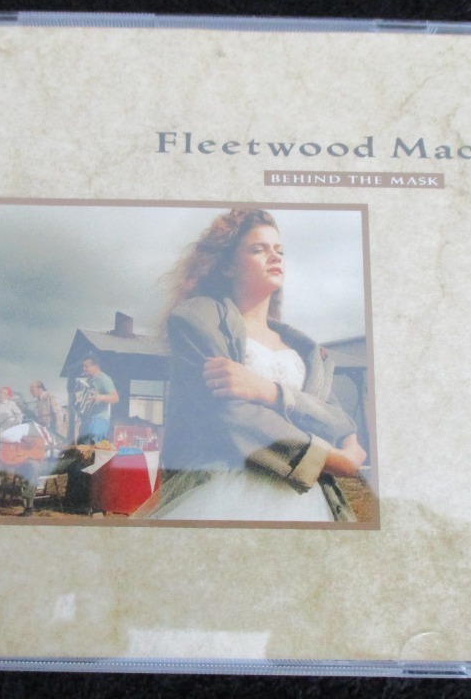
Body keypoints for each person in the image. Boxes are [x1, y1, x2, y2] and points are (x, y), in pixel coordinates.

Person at [147, 208, 367, 522]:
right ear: (227, 266)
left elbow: (338, 420)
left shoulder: (304, 349)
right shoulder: (198, 319)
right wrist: (333, 458)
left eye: (279, 250)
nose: (274, 256)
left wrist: (270, 392)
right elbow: (232, 415)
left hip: (305, 500)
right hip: (227, 494)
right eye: (258, 249)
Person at [76, 354, 118, 445]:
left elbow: (115, 398)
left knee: (92, 447)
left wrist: (101, 397)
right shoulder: (88, 381)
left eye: (86, 366)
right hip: (87, 420)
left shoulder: (104, 379)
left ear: (95, 366)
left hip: (99, 420)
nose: (83, 369)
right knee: (82, 447)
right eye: (83, 366)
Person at [30, 380, 64, 456]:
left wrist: (58, 431)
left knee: (56, 451)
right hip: (44, 429)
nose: (31, 392)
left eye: (32, 390)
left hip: (52, 429)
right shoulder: (39, 399)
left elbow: (58, 413)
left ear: (39, 388)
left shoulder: (50, 396)